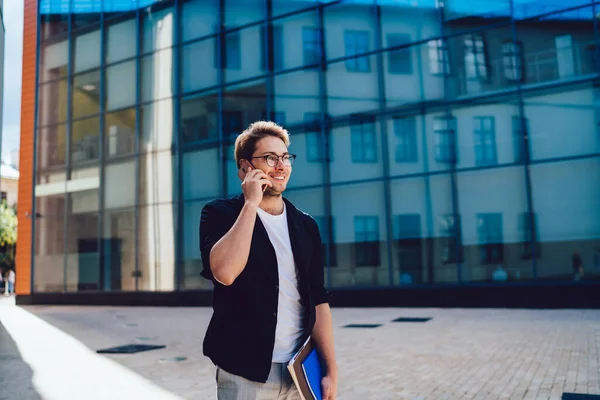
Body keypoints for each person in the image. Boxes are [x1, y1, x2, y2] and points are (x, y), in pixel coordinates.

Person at [199, 121, 337, 400]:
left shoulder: (305, 225)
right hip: (245, 372)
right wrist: (250, 204)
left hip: (299, 371)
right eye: (270, 158)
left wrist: (331, 369)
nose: (281, 165)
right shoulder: (220, 214)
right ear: (245, 167)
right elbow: (225, 273)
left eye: (285, 157)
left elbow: (318, 299)